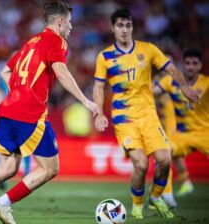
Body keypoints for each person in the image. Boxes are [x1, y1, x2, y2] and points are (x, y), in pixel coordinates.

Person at [0, 1, 99, 224]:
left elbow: (4, 71)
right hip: (30, 113)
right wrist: (86, 101)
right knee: (50, 169)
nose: (71, 27)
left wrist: (19, 92)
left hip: (9, 110)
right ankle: (3, 204)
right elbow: (62, 72)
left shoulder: (31, 42)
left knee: (8, 167)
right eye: (69, 22)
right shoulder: (57, 41)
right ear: (60, 21)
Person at [92, 9, 199, 219]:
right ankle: (137, 204)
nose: (125, 30)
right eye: (120, 25)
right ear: (113, 28)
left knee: (165, 159)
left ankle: (156, 196)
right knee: (140, 164)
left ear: (133, 27)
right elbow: (98, 87)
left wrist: (185, 87)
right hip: (124, 117)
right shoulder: (104, 57)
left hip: (149, 115)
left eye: (128, 25)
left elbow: (171, 69)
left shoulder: (148, 49)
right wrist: (98, 113)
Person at [153, 49, 209, 206]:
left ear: (200, 66)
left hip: (206, 133)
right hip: (182, 135)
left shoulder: (207, 83)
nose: (190, 67)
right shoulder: (170, 81)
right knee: (163, 153)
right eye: (187, 63)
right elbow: (150, 92)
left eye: (194, 63)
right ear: (183, 65)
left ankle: (185, 182)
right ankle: (167, 196)